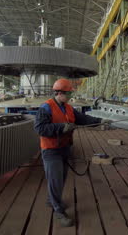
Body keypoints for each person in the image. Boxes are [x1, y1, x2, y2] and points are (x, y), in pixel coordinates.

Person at [34, 78, 111, 227]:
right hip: (51, 150)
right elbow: (40, 128)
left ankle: (52, 200)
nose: (70, 96)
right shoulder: (46, 107)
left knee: (61, 178)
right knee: (55, 179)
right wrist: (61, 128)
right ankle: (58, 211)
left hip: (64, 148)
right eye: (68, 94)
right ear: (59, 93)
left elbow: (83, 119)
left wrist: (100, 120)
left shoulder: (68, 108)